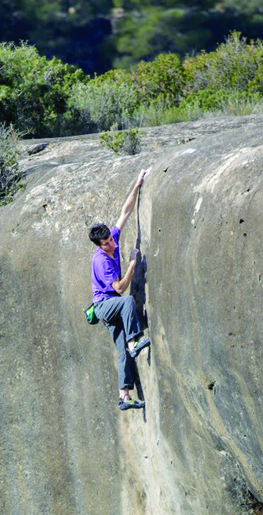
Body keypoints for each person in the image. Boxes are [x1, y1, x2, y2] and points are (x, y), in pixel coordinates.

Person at [89, 169, 151, 411]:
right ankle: (135, 341)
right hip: (105, 306)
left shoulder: (111, 237)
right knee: (127, 301)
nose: (111, 244)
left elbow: (125, 211)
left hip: (109, 306)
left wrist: (137, 184)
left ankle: (124, 396)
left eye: (111, 240)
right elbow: (121, 287)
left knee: (122, 351)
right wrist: (133, 262)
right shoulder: (101, 261)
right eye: (106, 244)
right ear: (98, 245)